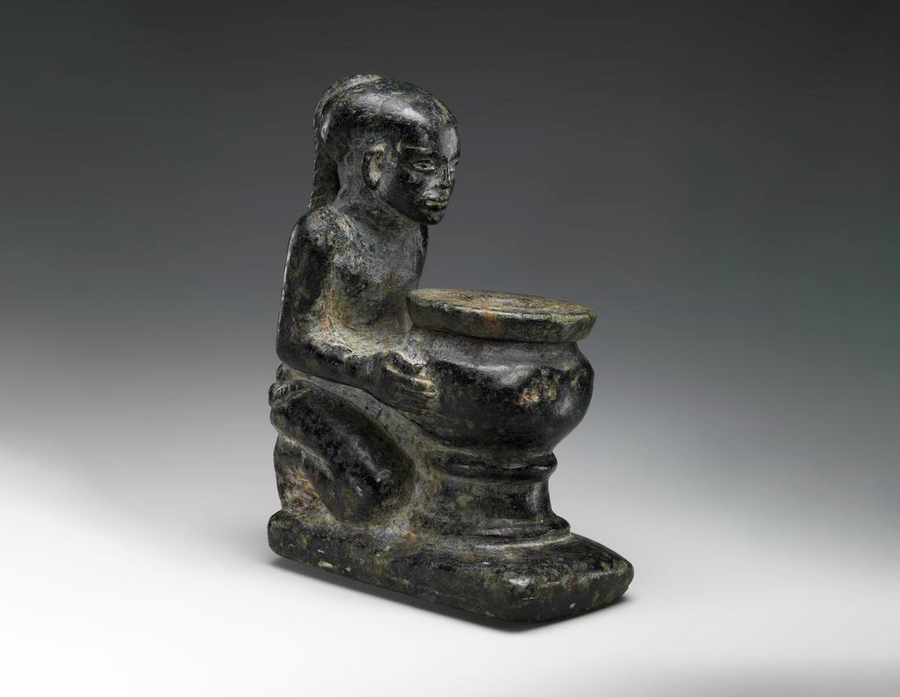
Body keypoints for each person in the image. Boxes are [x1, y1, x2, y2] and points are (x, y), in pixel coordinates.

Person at [270, 75, 460, 521]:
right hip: (316, 387)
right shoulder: (324, 235)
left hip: (383, 380)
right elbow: (295, 341)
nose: (446, 183)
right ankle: (296, 462)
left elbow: (397, 324)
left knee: (461, 457)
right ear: (375, 165)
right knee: (381, 491)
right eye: (426, 165)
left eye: (452, 165)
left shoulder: (413, 233)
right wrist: (369, 370)